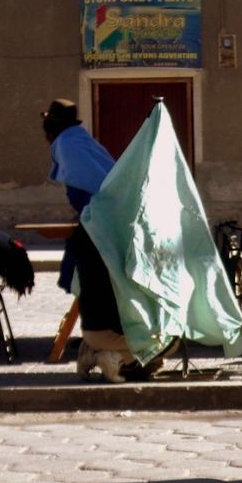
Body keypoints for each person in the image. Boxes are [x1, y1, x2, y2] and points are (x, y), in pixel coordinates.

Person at [43, 98, 139, 383]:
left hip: (97, 221)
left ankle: (99, 351)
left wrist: (87, 217)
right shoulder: (81, 141)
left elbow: (85, 188)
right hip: (102, 220)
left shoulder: (66, 144)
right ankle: (105, 352)